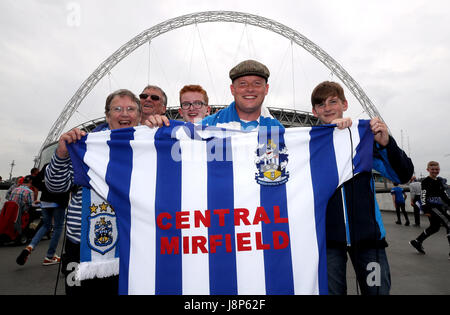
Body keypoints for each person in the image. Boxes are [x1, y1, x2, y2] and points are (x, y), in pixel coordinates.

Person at [310, 81, 414, 295]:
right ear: (314, 111)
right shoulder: (309, 145)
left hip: (369, 239)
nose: (327, 108)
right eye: (321, 104)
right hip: (327, 241)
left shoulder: (361, 139)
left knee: (377, 292)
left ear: (345, 104)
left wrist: (387, 144)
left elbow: (402, 175)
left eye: (333, 101)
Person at [45, 89, 141, 294]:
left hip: (129, 248)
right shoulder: (85, 145)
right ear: (107, 116)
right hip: (80, 248)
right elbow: (55, 186)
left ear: (139, 116)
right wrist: (62, 153)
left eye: (130, 109)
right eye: (117, 109)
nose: (124, 114)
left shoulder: (146, 147)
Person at [16, 165, 70, 266]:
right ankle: (50, 256)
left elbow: (36, 181)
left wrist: (45, 189)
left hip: (44, 200)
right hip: (59, 201)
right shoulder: (68, 166)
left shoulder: (47, 166)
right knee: (58, 227)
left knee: (46, 225)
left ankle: (30, 247)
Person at [409, 161, 450, 259]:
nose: (435, 171)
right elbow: (423, 195)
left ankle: (417, 241)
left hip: (438, 206)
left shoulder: (438, 181)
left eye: (437, 169)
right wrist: (425, 209)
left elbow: (443, 195)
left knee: (435, 227)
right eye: (433, 169)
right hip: (432, 207)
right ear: (428, 170)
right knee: (449, 223)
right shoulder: (426, 181)